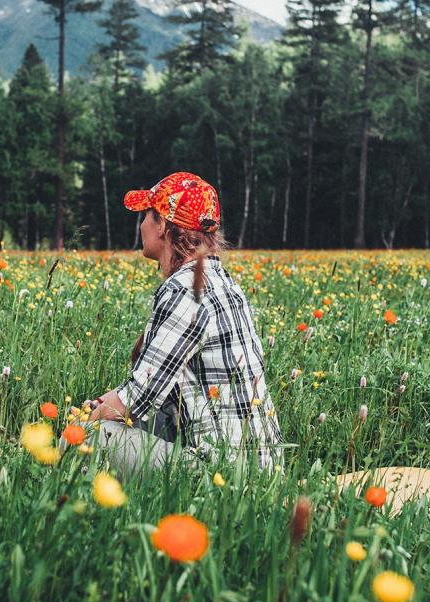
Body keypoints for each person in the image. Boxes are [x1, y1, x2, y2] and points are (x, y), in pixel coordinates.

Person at [83, 172, 283, 477]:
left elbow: (137, 396)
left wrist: (83, 421)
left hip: (223, 474)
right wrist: (103, 406)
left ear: (162, 225)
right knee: (144, 418)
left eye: (146, 216)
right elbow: (158, 394)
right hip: (260, 470)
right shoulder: (226, 283)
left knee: (87, 440)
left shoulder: (184, 291)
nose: (141, 226)